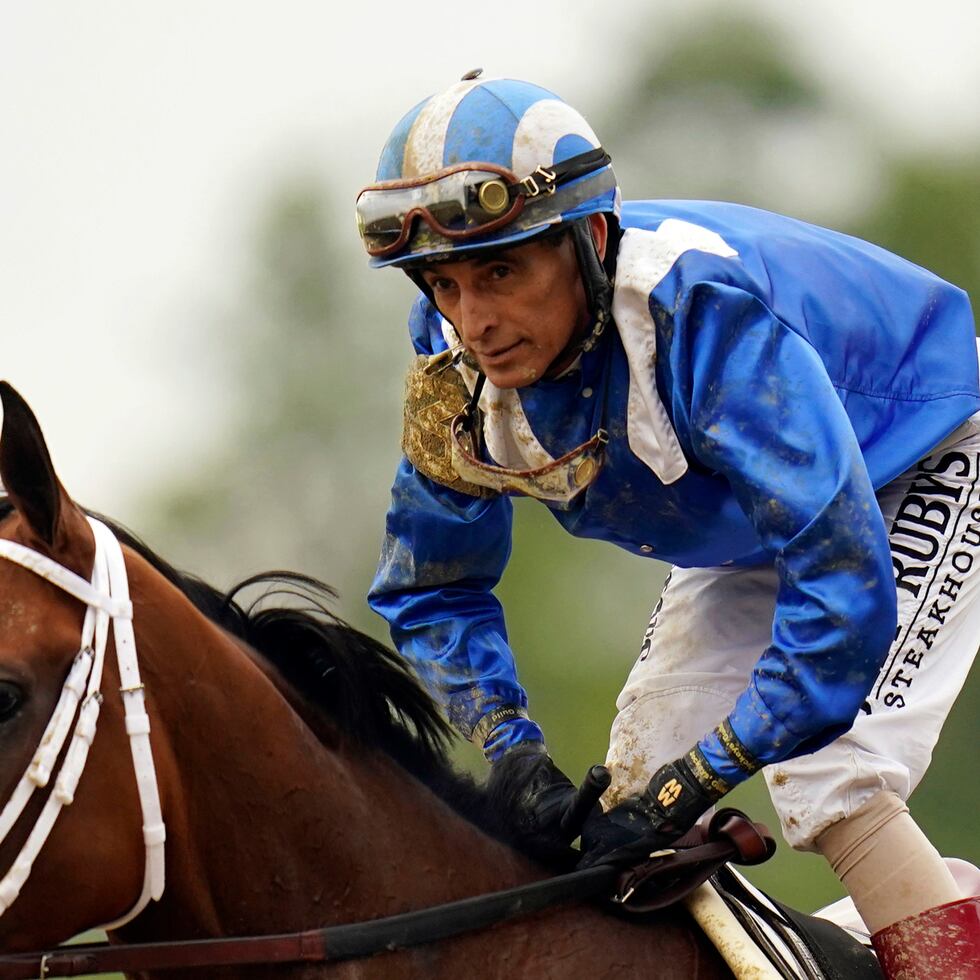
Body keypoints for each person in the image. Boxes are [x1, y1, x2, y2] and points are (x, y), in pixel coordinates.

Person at [355, 72, 980, 975]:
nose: (476, 321)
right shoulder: (454, 368)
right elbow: (431, 587)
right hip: (774, 513)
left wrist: (714, 768)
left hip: (929, 444)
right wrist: (513, 752)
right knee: (641, 790)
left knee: (830, 778)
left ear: (591, 239)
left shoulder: (702, 317)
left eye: (500, 270)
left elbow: (838, 591)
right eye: (444, 284)